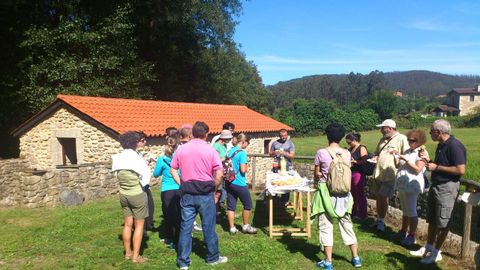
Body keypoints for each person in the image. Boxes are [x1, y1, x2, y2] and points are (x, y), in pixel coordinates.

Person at [171, 121, 227, 269]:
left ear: (192, 133)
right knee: (208, 226)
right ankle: (212, 257)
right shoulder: (210, 150)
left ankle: (183, 261)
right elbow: (219, 172)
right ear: (206, 134)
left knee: (186, 227)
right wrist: (214, 186)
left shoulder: (182, 149)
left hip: (187, 191)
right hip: (205, 192)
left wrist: (180, 183)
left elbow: (173, 169)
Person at [410, 120, 466, 264]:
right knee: (433, 219)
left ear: (438, 132)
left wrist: (437, 167)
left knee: (443, 222)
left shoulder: (455, 146)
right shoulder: (441, 145)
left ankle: (436, 253)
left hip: (447, 188)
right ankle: (429, 248)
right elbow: (440, 165)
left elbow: (461, 170)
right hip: (438, 186)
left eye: (431, 131)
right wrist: (429, 161)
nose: (429, 133)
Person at [312, 123, 361, 269]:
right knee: (347, 225)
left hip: (326, 193)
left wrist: (321, 174)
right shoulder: (346, 153)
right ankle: (356, 258)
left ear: (327, 136)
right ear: (341, 137)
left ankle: (328, 261)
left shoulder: (321, 152)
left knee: (326, 225)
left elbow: (317, 173)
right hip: (344, 194)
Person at [111, 131, 150, 264]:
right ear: (134, 143)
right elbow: (146, 178)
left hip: (123, 194)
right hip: (137, 194)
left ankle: (128, 253)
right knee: (139, 225)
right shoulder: (137, 158)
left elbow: (116, 175)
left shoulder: (117, 157)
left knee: (128, 224)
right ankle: (136, 257)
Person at [391, 129, 429, 246]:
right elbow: (398, 165)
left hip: (412, 184)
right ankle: (403, 231)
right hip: (403, 184)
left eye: (413, 140)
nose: (410, 142)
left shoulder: (421, 153)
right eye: (409, 140)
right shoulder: (407, 150)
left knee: (411, 211)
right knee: (405, 210)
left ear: (420, 141)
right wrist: (397, 156)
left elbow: (418, 169)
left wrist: (406, 159)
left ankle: (412, 235)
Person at [370, 119, 408, 232]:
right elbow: (377, 152)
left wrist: (397, 156)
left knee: (383, 196)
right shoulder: (383, 139)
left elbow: (406, 154)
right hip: (378, 172)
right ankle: (379, 219)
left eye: (383, 128)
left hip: (390, 173)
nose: (381, 130)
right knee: (378, 196)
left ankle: (381, 221)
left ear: (390, 128)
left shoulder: (401, 138)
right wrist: (375, 157)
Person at [225, 133, 258, 235]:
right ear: (243, 142)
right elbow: (243, 170)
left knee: (231, 206)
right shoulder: (242, 153)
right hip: (239, 182)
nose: (247, 145)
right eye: (247, 143)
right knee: (248, 204)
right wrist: (246, 165)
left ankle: (232, 228)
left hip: (229, 181)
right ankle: (246, 226)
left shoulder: (230, 151)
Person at [153, 136, 181, 249]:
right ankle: (182, 237)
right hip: (179, 188)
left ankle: (171, 239)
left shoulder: (161, 159)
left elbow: (155, 174)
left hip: (167, 190)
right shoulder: (180, 157)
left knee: (169, 216)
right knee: (180, 214)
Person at [269, 129, 296, 205]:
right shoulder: (275, 143)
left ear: (287, 135)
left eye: (285, 136)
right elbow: (270, 153)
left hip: (287, 166)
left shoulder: (290, 143)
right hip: (276, 166)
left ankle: (284, 201)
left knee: (286, 183)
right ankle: (274, 200)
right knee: (276, 182)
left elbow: (292, 155)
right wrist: (274, 152)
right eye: (282, 136)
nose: (284, 137)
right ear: (279, 136)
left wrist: (284, 153)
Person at [345, 132, 368, 220]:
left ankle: (362, 214)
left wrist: (355, 162)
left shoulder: (361, 148)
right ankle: (354, 212)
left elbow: (364, 160)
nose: (348, 144)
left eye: (349, 142)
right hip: (351, 172)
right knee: (352, 193)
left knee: (360, 193)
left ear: (354, 140)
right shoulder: (351, 149)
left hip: (359, 173)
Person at [213, 129, 233, 211]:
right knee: (216, 192)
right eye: (229, 138)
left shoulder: (224, 146)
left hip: (223, 170)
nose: (230, 140)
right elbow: (214, 160)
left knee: (220, 192)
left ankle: (217, 209)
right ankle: (214, 210)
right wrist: (225, 158)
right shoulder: (215, 146)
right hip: (216, 172)